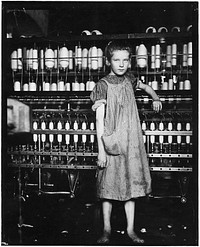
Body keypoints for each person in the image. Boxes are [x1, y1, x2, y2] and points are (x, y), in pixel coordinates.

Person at [90, 40, 162, 244]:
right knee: (108, 189)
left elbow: (146, 87)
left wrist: (155, 97)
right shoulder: (102, 85)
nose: (121, 64)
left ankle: (130, 230)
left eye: (125, 60)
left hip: (131, 143)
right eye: (116, 60)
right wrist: (101, 151)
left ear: (129, 62)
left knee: (131, 187)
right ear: (108, 61)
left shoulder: (130, 79)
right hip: (111, 143)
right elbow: (98, 120)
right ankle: (106, 230)